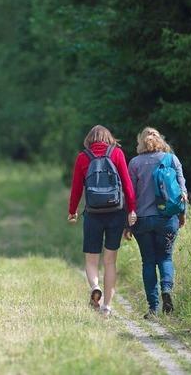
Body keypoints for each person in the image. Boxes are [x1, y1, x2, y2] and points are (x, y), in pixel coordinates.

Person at [68, 125, 137, 316]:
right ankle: (106, 307)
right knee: (110, 262)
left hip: (93, 214)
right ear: (108, 138)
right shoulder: (117, 154)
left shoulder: (83, 157)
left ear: (89, 139)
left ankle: (94, 287)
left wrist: (72, 211)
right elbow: (127, 184)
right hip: (116, 212)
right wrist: (131, 209)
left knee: (91, 260)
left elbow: (76, 189)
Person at [126, 127, 187, 317]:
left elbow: (130, 195)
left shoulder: (135, 163)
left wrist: (126, 223)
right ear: (160, 140)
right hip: (167, 218)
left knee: (148, 262)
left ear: (141, 142)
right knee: (166, 258)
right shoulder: (171, 160)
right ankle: (166, 290)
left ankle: (153, 308)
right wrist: (182, 215)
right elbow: (182, 191)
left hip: (142, 220)